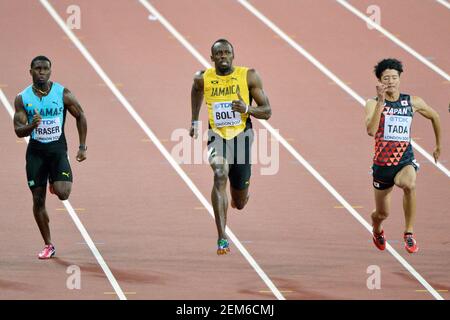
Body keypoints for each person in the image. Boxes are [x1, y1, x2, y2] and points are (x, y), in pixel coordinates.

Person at [190, 39, 272, 255]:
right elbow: (196, 91)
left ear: (233, 56)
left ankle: (239, 198)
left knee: (240, 201)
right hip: (217, 136)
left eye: (227, 52)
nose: (223, 56)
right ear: (212, 57)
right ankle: (222, 237)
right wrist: (194, 120)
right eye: (219, 53)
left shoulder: (248, 76)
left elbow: (267, 111)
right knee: (219, 173)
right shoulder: (203, 78)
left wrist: (246, 108)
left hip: (242, 137)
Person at [13, 56, 88, 259]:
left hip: (57, 151)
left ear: (50, 71)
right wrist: (31, 126)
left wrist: (82, 147)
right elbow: (18, 131)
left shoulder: (62, 93)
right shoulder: (22, 98)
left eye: (46, 69)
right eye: (38, 69)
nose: (42, 72)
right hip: (36, 154)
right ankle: (48, 244)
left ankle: (55, 181)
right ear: (30, 71)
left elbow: (80, 115)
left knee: (64, 194)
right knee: (38, 200)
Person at [365, 58, 441, 254]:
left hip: (404, 160)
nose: (390, 81)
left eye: (394, 77)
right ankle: (377, 229)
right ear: (380, 81)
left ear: (400, 79)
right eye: (386, 78)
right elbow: (371, 130)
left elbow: (435, 116)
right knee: (382, 213)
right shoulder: (372, 103)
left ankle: (409, 233)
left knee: (409, 183)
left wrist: (438, 145)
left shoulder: (412, 102)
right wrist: (381, 102)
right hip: (382, 166)